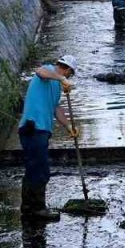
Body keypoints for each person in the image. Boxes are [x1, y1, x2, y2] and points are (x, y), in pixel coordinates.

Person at [17, 55, 78, 221]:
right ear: (67, 70)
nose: (69, 78)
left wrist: (69, 126)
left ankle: (28, 208)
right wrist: (61, 78)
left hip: (41, 130)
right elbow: (40, 72)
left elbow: (56, 108)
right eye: (70, 74)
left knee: (33, 168)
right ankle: (38, 209)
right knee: (41, 169)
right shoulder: (48, 71)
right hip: (33, 128)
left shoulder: (55, 85)